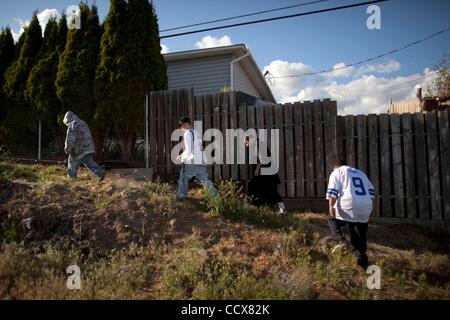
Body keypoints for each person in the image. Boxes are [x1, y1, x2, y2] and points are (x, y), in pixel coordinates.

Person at [325, 159, 375, 268]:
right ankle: (362, 263)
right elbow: (371, 192)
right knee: (359, 237)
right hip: (365, 205)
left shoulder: (337, 172)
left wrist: (330, 206)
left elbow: (333, 191)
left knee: (332, 219)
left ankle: (340, 241)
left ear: (336, 166)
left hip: (348, 203)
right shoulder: (361, 173)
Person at [176, 117, 217, 199]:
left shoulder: (187, 133)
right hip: (201, 160)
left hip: (192, 160)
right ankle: (215, 196)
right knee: (205, 180)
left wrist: (181, 157)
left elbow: (189, 150)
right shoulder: (196, 132)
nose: (182, 130)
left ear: (184, 125)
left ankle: (181, 195)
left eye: (181, 128)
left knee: (183, 176)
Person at [244, 136, 287, 214]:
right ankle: (283, 210)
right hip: (266, 174)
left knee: (254, 187)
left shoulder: (258, 144)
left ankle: (246, 208)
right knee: (269, 192)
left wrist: (257, 169)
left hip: (266, 173)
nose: (246, 145)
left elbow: (264, 158)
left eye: (246, 143)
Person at [63, 111, 105, 181]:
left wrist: (67, 149)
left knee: (71, 163)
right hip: (89, 147)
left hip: (79, 149)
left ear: (67, 120)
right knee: (89, 162)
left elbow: (70, 140)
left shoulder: (72, 125)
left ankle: (71, 179)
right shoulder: (83, 123)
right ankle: (100, 172)